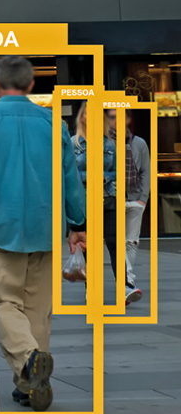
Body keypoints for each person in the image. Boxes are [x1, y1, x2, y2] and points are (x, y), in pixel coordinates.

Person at [0, 55, 86, 412]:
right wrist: (77, 225)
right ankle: (27, 386)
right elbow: (70, 180)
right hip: (46, 228)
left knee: (3, 304)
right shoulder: (53, 122)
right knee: (37, 309)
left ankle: (30, 361)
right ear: (32, 85)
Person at [75, 104, 145, 305]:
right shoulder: (73, 144)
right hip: (85, 202)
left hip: (109, 200)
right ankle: (92, 289)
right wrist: (91, 176)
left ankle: (124, 287)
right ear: (82, 117)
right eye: (88, 113)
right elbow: (68, 174)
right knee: (90, 247)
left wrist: (103, 176)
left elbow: (119, 172)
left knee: (115, 244)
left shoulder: (111, 145)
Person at [117, 109, 149, 305]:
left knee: (132, 242)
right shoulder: (105, 143)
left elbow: (146, 171)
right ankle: (128, 282)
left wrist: (143, 199)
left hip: (135, 199)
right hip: (115, 199)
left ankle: (127, 282)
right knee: (118, 242)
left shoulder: (139, 143)